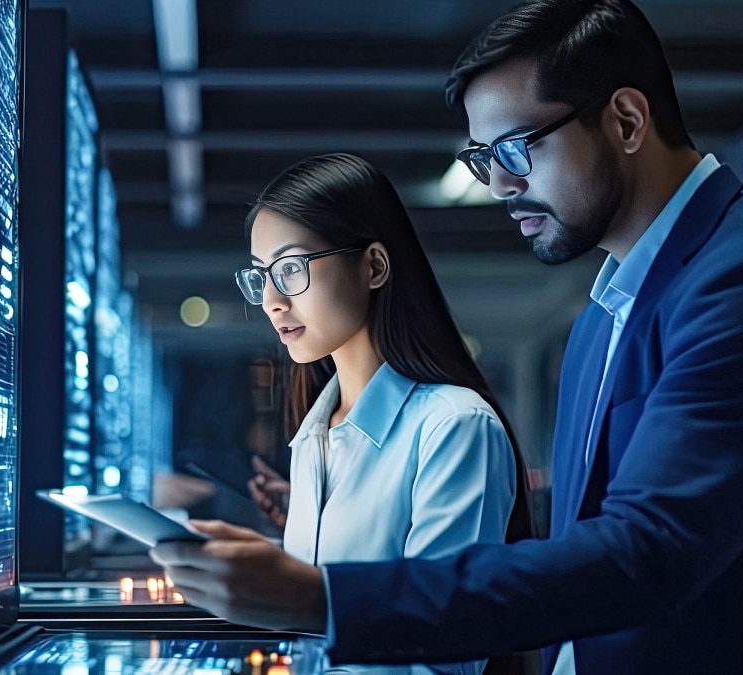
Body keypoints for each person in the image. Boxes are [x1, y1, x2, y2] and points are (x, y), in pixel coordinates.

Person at [151, 1, 743, 673]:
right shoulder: (602, 316)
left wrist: (325, 597)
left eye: (516, 149)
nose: (497, 184)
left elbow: (650, 552)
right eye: (482, 159)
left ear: (625, 121)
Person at [169, 153, 533, 675]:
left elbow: (445, 658)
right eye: (260, 276)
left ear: (374, 266)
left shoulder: (454, 427)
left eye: (291, 269)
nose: (270, 300)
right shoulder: (316, 437)